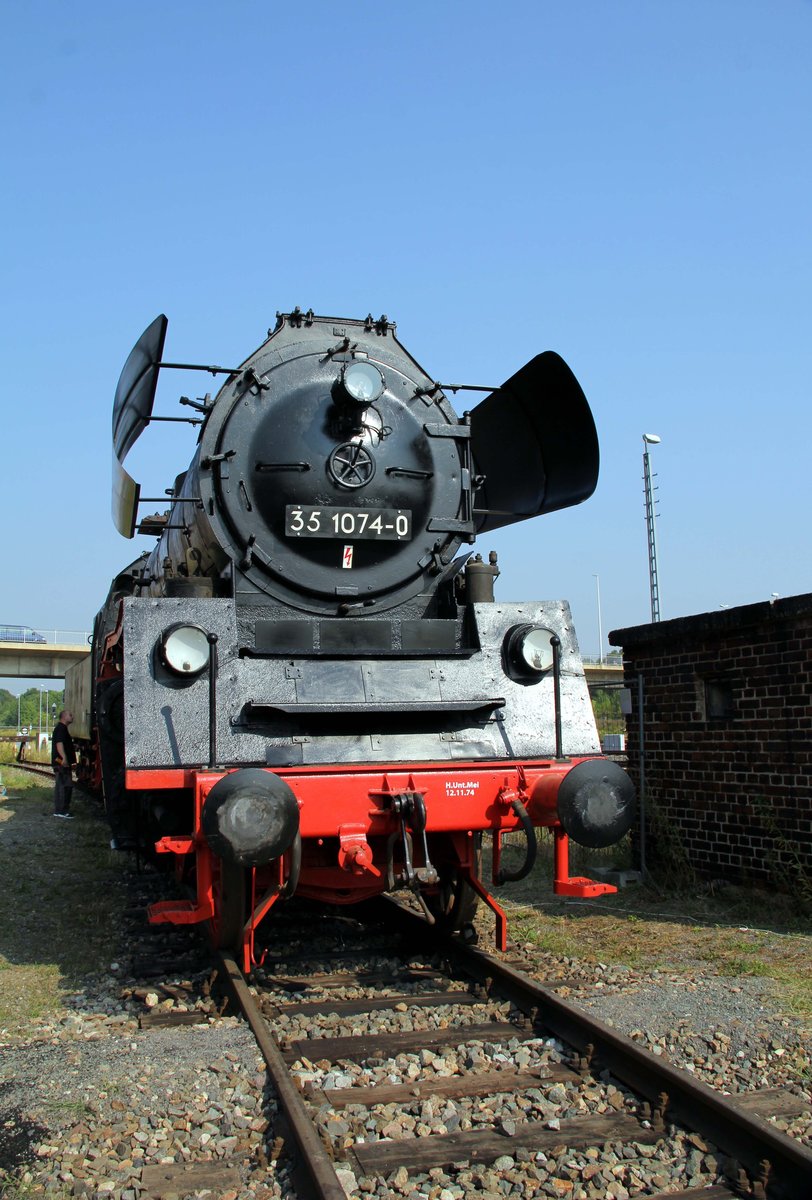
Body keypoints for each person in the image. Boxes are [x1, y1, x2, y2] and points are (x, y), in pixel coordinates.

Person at [52, 709, 76, 819]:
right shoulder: (61, 729)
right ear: (64, 717)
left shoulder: (62, 728)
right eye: (70, 715)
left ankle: (61, 810)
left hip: (60, 761)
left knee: (64, 785)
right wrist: (64, 758)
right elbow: (59, 743)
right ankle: (61, 811)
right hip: (60, 762)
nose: (72, 717)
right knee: (64, 786)